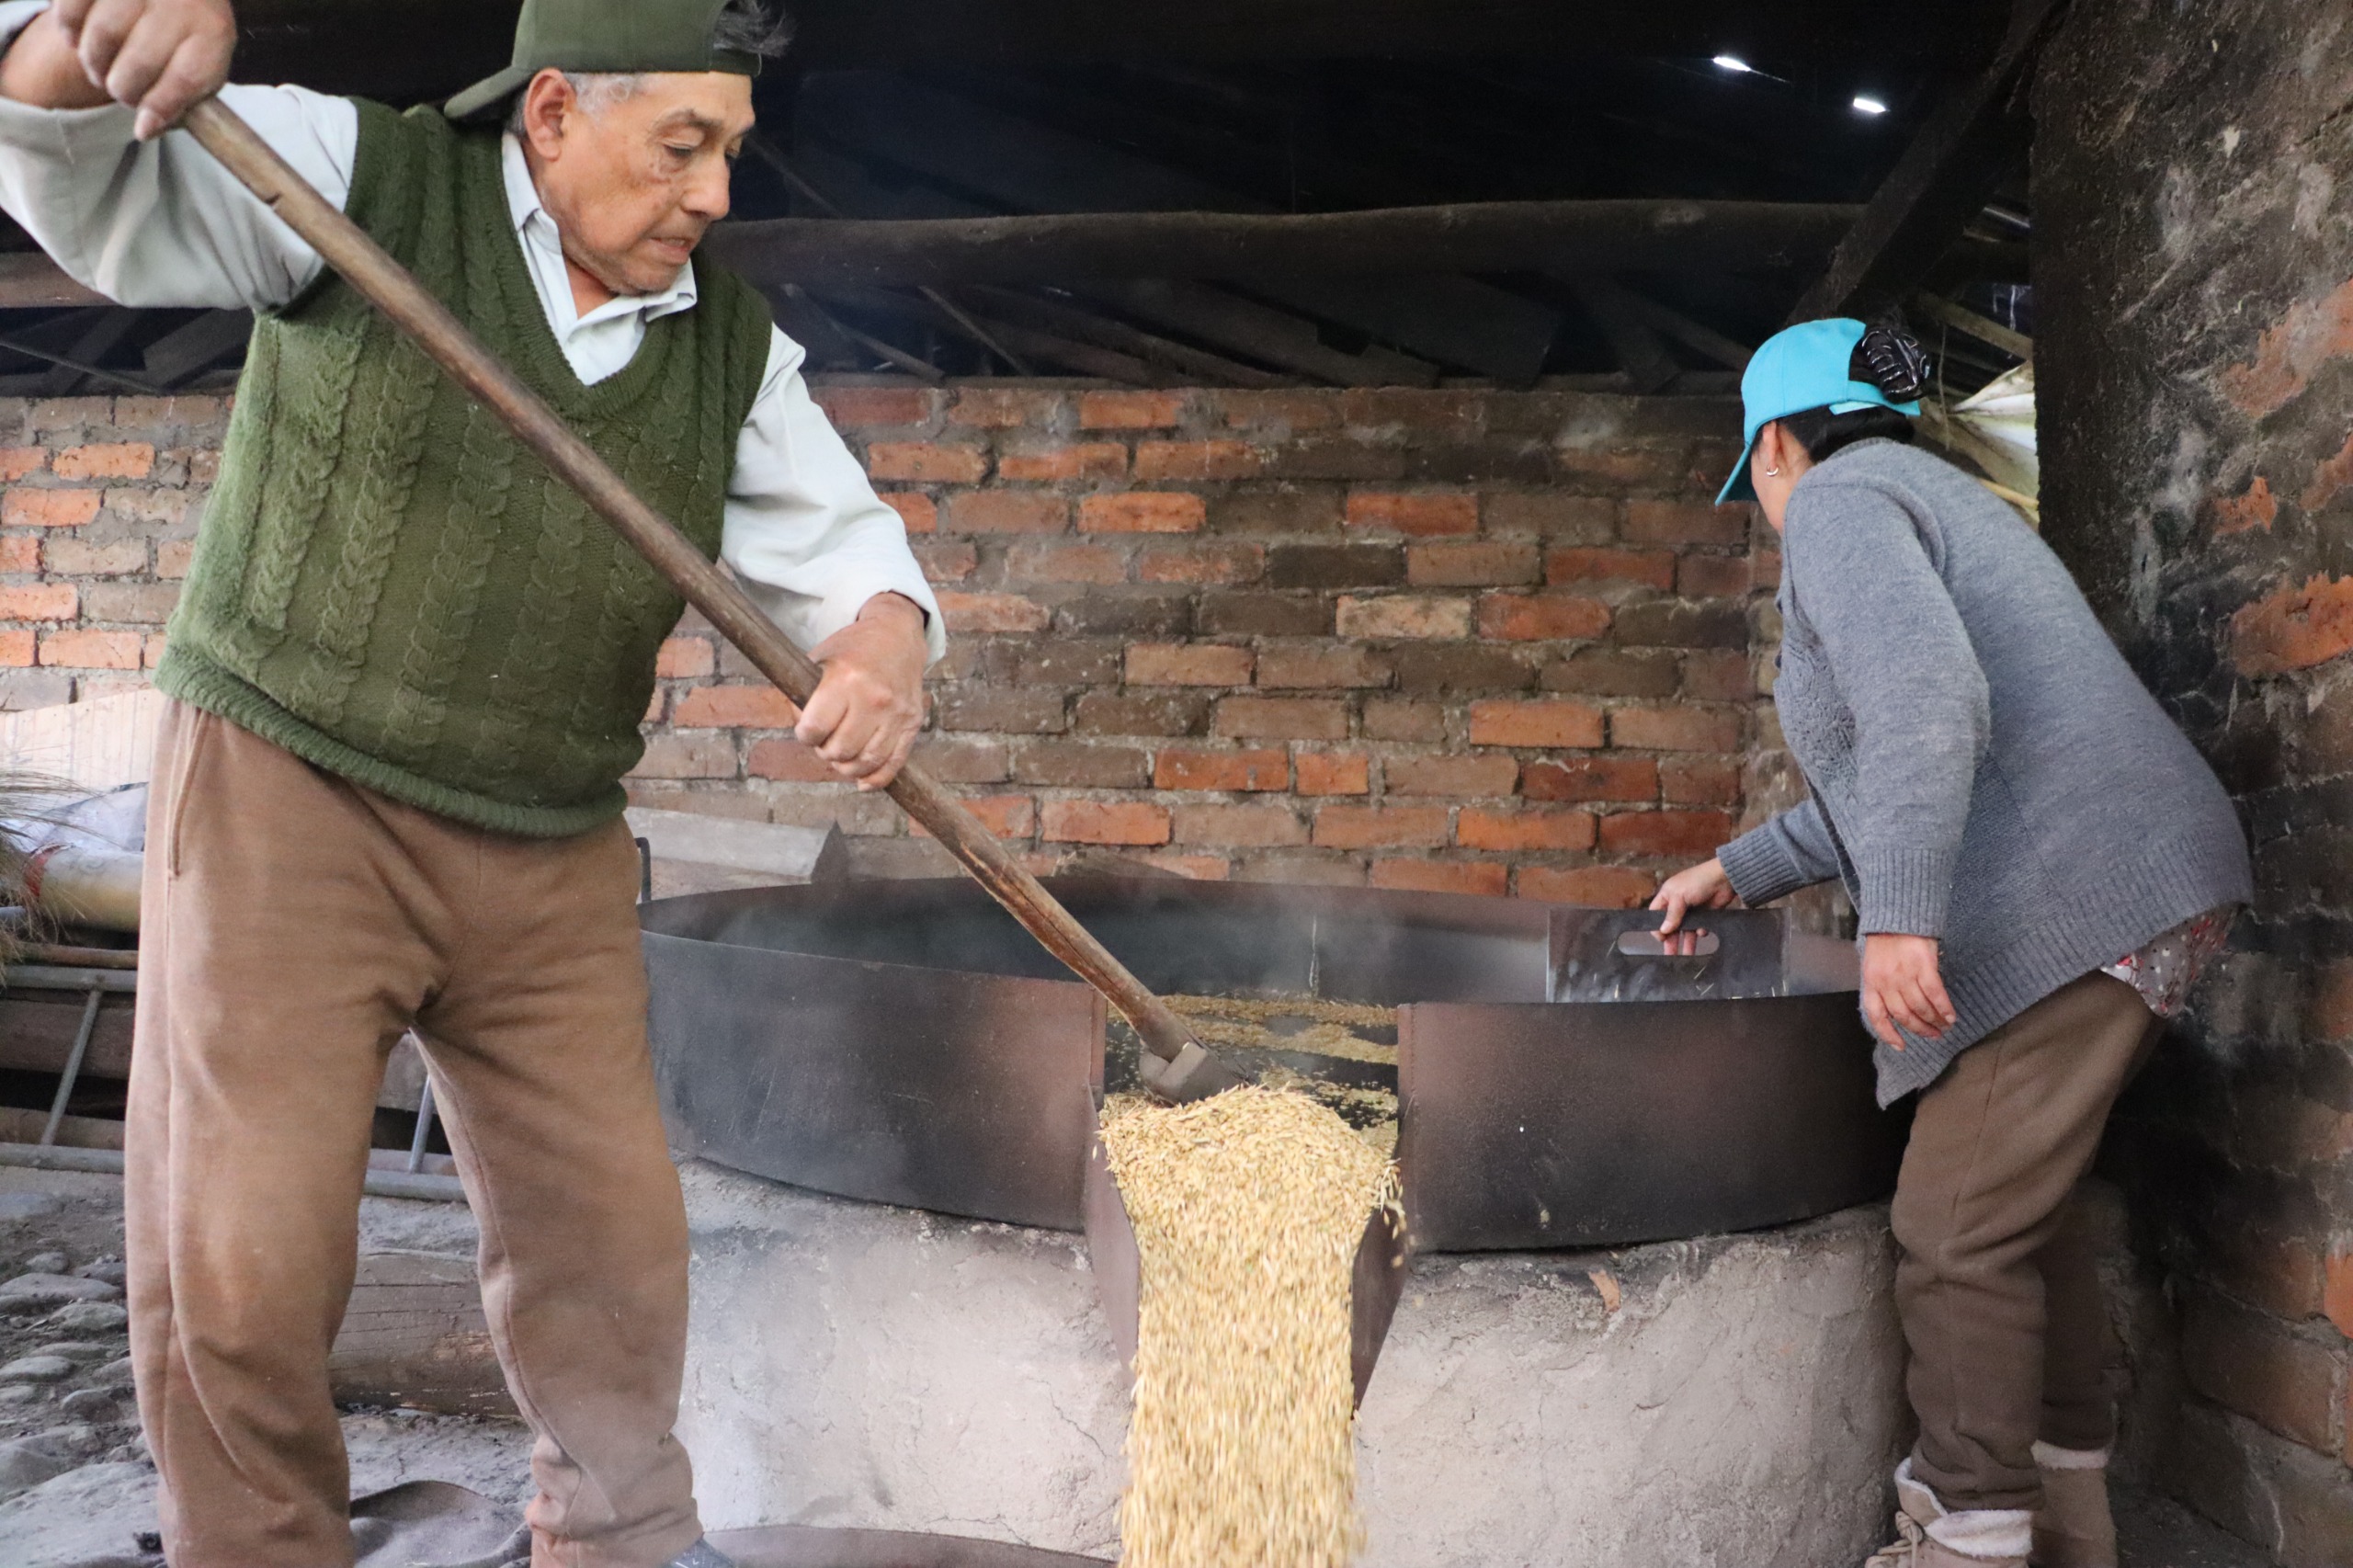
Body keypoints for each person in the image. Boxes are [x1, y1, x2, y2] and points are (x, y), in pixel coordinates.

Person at [0, 0, 947, 1563]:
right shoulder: (356, 175)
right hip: (291, 798)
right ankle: (255, 1546)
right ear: (556, 112)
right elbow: (81, 169)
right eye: (682, 148)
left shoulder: (727, 348)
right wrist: (65, 44)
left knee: (615, 1250)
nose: (714, 194)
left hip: (548, 840)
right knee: (243, 1251)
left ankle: (624, 1539)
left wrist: (886, 651)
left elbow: (849, 557)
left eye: (730, 154)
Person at [1652, 318, 2251, 1568]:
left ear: (1773, 447)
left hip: (2086, 894)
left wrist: (1902, 917)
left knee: (1953, 1228)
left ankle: (1967, 1533)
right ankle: (2071, 1522)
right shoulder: (1935, 492)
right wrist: (1735, 868)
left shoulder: (1840, 505)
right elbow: (1891, 761)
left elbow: (1928, 703)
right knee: (2021, 1214)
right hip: (2149, 885)